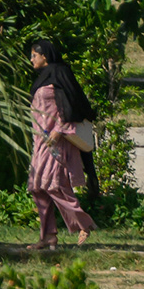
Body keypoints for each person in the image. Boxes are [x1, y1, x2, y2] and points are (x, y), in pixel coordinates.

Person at [25, 39, 97, 251]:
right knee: (37, 188)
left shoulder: (60, 74)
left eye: (34, 55)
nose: (31, 60)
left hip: (56, 142)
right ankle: (48, 236)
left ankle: (84, 223)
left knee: (53, 185)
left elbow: (73, 107)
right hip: (41, 141)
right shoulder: (42, 79)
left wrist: (59, 130)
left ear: (44, 56)